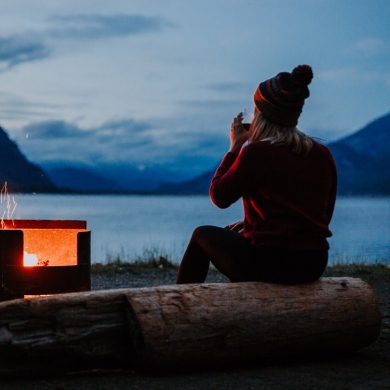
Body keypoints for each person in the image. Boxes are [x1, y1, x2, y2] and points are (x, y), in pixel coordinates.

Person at [176, 65, 337, 285]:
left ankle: (181, 307)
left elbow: (219, 196)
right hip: (314, 264)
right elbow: (322, 215)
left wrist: (234, 147)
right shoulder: (322, 154)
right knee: (243, 239)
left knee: (200, 235)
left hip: (270, 262)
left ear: (262, 112)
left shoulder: (258, 152)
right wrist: (254, 223)